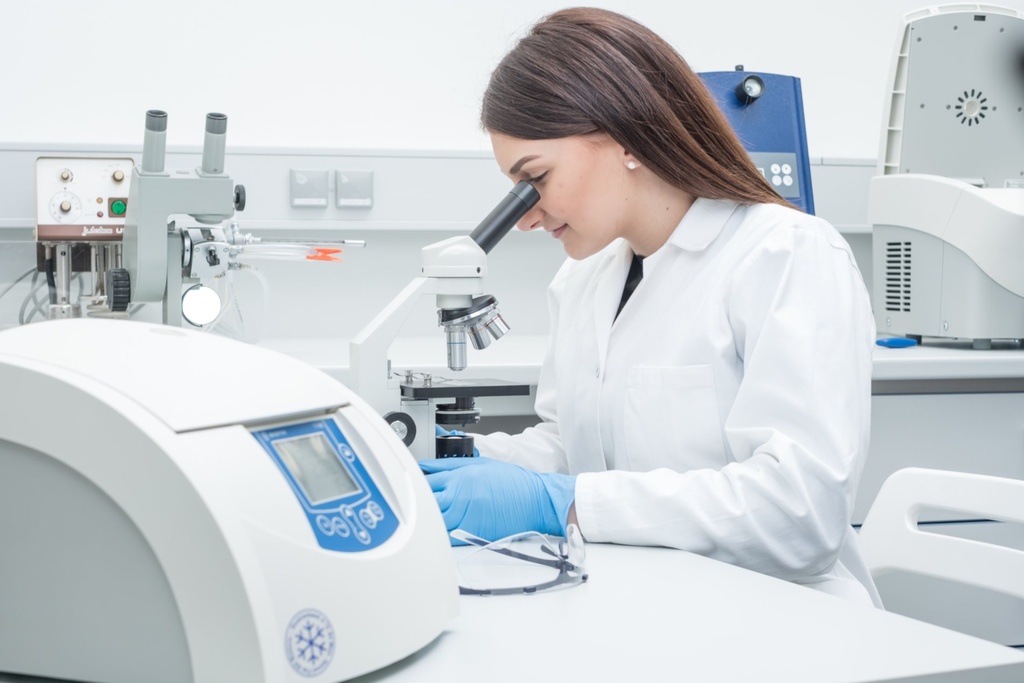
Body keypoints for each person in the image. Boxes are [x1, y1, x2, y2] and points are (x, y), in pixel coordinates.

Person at [420, 6, 881, 607]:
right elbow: (575, 447)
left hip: (782, 619)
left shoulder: (786, 256)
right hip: (640, 602)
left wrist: (564, 502)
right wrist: (457, 460)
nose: (528, 216)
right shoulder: (584, 278)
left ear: (624, 139)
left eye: (536, 180)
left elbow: (798, 513)